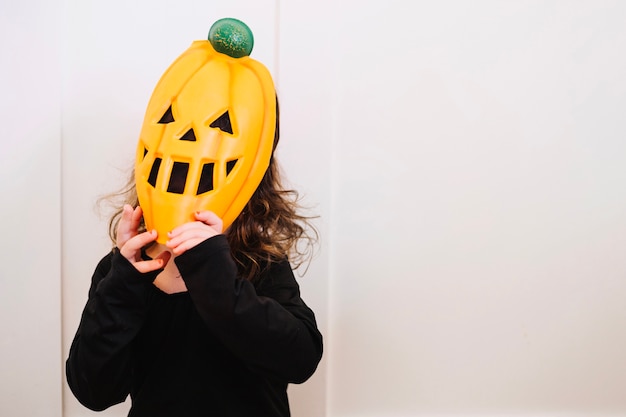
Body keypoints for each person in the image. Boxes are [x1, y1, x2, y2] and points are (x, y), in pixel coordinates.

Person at [66, 19, 323, 417]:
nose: (187, 137)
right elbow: (94, 390)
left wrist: (213, 273)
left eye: (221, 126)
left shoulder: (257, 264)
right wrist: (122, 283)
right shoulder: (123, 274)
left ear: (254, 172)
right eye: (170, 119)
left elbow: (299, 358)